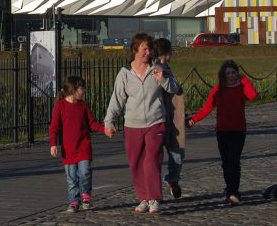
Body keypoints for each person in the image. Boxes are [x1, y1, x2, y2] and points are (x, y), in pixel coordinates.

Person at [104, 33, 181, 215]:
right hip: (132, 124)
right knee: (136, 162)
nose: (148, 52)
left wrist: (163, 79)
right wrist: (109, 121)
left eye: (149, 48)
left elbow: (175, 88)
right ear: (135, 50)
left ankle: (154, 198)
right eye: (144, 48)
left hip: (156, 122)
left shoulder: (158, 67)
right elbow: (117, 100)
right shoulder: (124, 74)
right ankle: (143, 198)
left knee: (152, 159)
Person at [186, 59, 258, 205]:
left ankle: (234, 191)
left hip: (238, 130)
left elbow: (253, 96)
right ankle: (229, 189)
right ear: (223, 75)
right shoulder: (219, 89)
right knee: (226, 162)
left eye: (233, 72)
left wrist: (244, 79)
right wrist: (193, 120)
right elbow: (207, 108)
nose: (231, 75)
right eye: (228, 73)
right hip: (222, 131)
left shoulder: (241, 87)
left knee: (234, 161)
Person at [49, 75, 106, 213]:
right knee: (72, 177)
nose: (84, 90)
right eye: (81, 88)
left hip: (83, 146)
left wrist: (105, 129)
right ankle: (74, 200)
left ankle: (86, 194)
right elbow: (54, 126)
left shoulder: (83, 105)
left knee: (85, 171)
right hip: (68, 149)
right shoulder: (60, 105)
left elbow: (92, 123)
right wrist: (53, 144)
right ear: (73, 90)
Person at [152, 38, 185, 199]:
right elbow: (172, 87)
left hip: (172, 116)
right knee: (156, 156)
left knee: (177, 152)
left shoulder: (166, 67)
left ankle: (172, 179)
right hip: (158, 117)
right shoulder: (156, 68)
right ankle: (155, 189)